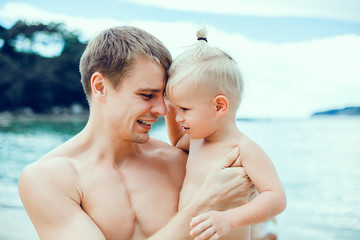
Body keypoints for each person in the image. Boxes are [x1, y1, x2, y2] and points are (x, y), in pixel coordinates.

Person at [17, 26, 253, 240]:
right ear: (100, 86)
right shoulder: (47, 179)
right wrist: (204, 204)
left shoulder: (182, 163)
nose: (162, 110)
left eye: (164, 97)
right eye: (147, 95)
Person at [165, 28, 287, 240]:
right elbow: (176, 141)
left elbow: (276, 198)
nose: (178, 118)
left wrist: (229, 219)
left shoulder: (243, 149)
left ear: (219, 106)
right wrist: (169, 107)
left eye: (184, 109)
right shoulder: (196, 140)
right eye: (176, 109)